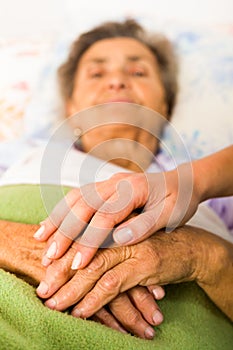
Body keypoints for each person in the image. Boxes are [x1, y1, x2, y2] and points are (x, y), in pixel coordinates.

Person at [0, 19, 232, 340]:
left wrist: (203, 255)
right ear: (71, 107)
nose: (117, 82)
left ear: (165, 103)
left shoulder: (216, 190)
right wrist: (15, 243)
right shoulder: (18, 155)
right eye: (96, 73)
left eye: (138, 73)